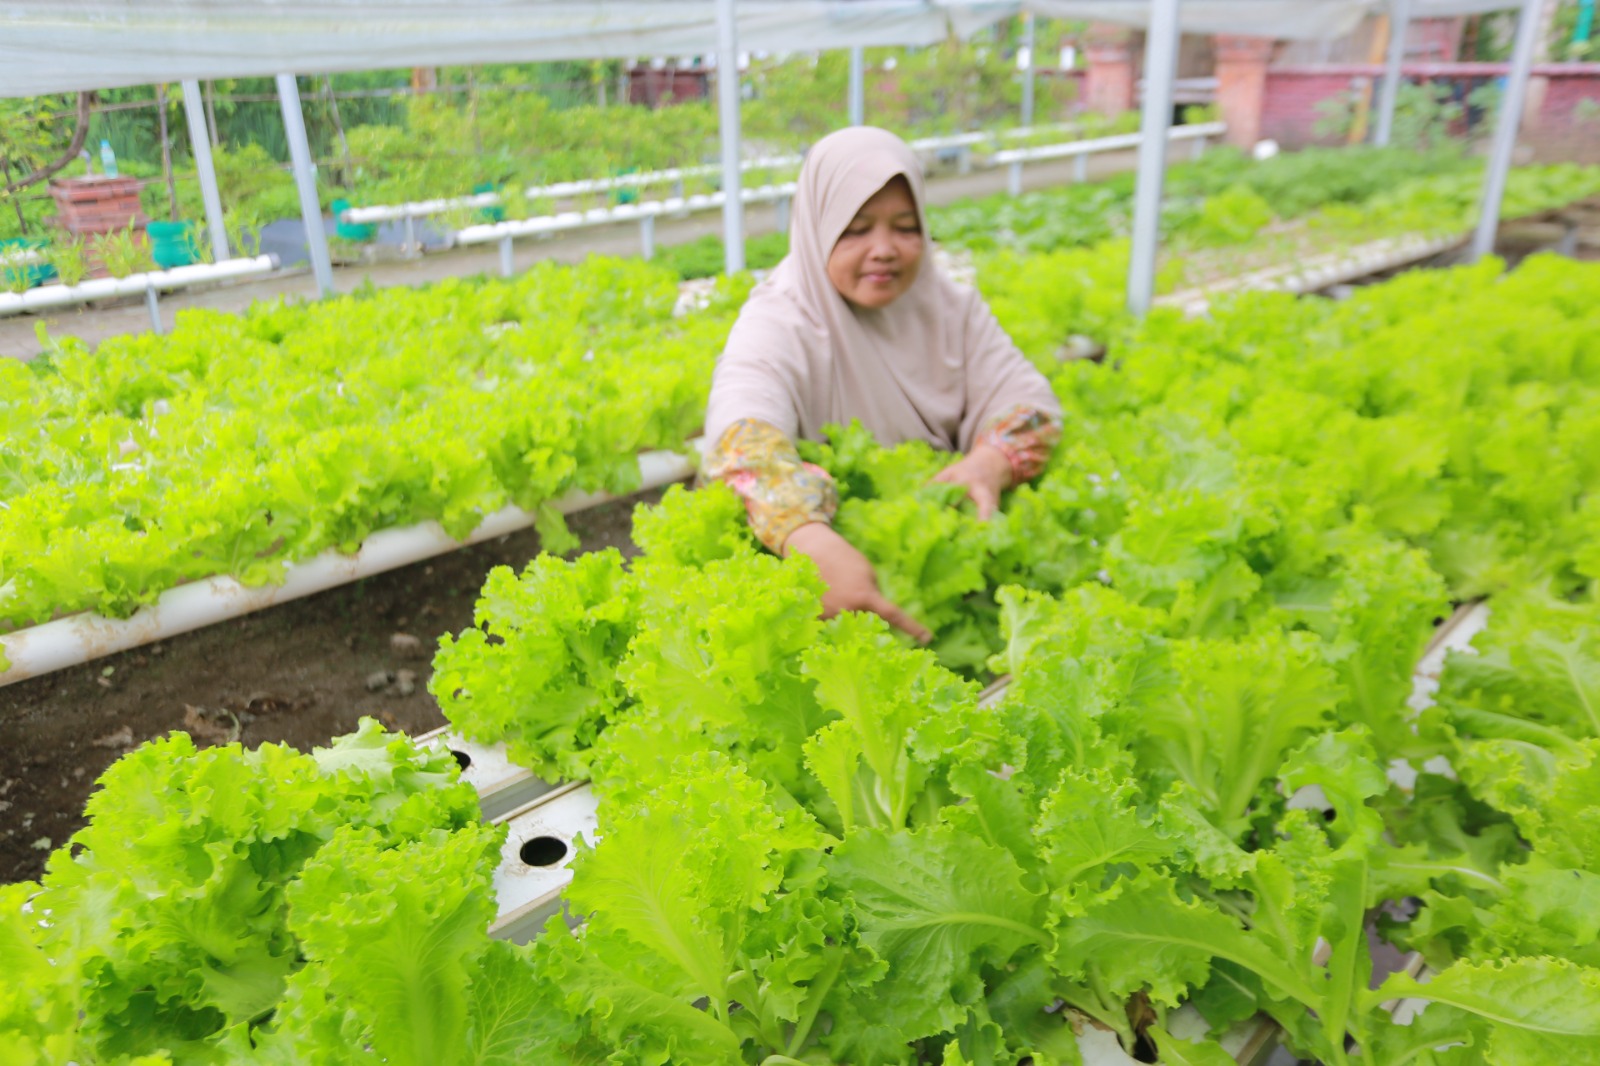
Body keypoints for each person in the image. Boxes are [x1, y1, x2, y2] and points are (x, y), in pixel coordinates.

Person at [701, 126, 1062, 641]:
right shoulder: (779, 321)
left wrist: (990, 463)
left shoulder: (948, 307)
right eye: (855, 230)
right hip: (820, 604)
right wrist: (807, 539)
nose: (885, 250)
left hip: (947, 583)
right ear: (815, 229)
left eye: (905, 226)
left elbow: (1031, 405)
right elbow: (741, 436)